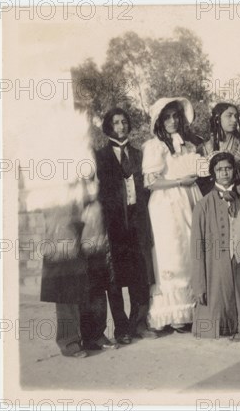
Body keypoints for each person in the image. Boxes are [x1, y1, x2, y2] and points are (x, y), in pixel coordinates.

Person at [142, 97, 208, 332]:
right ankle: (170, 313)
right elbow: (151, 183)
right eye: (167, 117)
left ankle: (189, 312)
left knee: (191, 250)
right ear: (159, 120)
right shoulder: (154, 146)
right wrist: (180, 180)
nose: (172, 121)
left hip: (190, 198)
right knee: (172, 253)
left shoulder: (189, 145)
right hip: (167, 204)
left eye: (175, 116)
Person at [95, 108, 157, 344]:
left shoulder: (140, 155)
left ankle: (139, 324)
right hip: (113, 224)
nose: (121, 127)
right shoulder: (100, 156)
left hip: (137, 220)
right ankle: (121, 329)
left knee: (140, 273)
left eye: (124, 122)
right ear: (109, 127)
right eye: (116, 123)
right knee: (115, 279)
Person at [40, 177, 118, 358]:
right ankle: (69, 341)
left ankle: (95, 334)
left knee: (95, 276)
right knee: (67, 283)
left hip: (90, 209)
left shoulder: (85, 153)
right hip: (61, 210)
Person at [191, 152, 240, 340]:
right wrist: (199, 285)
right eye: (219, 169)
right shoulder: (203, 205)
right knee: (217, 298)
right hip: (215, 265)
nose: (224, 173)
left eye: (228, 168)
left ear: (234, 171)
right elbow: (197, 246)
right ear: (213, 173)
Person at [199, 103, 240, 189]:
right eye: (229, 116)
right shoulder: (204, 148)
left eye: (236, 116)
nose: (234, 120)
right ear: (217, 119)